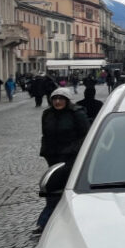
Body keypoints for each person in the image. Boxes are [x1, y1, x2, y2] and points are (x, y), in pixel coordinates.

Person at [35, 87, 91, 234]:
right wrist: (46, 151)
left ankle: (46, 222)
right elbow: (45, 134)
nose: (57, 101)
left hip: (71, 157)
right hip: (53, 157)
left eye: (61, 99)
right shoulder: (47, 114)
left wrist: (73, 150)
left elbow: (85, 135)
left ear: (67, 100)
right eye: (55, 98)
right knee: (52, 187)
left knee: (66, 187)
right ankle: (49, 222)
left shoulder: (77, 113)